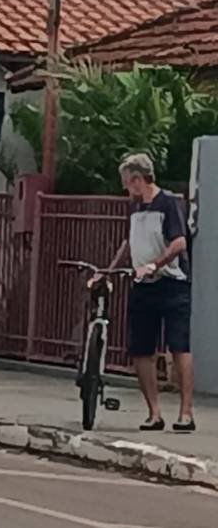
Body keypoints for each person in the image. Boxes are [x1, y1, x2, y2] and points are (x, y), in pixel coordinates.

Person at [106, 153, 194, 432]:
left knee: (179, 346)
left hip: (172, 283)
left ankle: (186, 413)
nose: (125, 189)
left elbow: (179, 243)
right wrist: (108, 271)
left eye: (127, 183)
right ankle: (154, 413)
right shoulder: (134, 208)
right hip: (142, 285)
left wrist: (154, 265)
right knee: (140, 349)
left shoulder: (167, 203)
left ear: (138, 180)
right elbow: (128, 243)